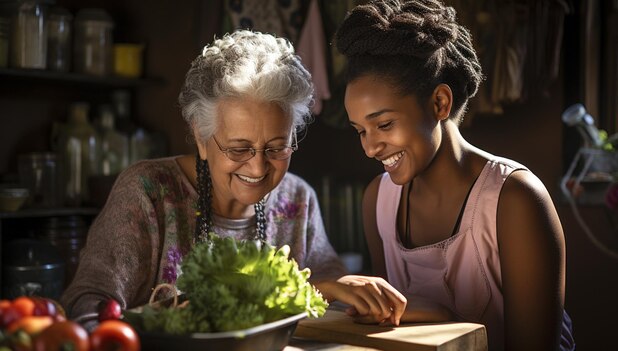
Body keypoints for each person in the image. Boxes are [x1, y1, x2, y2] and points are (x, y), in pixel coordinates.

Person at [61, 29, 406, 330]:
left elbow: (330, 294)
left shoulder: (297, 200)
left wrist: (344, 293)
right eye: (239, 149)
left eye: (276, 148)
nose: (257, 169)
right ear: (201, 137)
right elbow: (87, 305)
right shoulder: (148, 193)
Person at [334, 1, 575, 350]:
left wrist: (442, 317)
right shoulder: (378, 200)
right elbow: (388, 331)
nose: (370, 148)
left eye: (383, 124)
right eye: (360, 130)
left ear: (439, 104)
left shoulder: (516, 199)